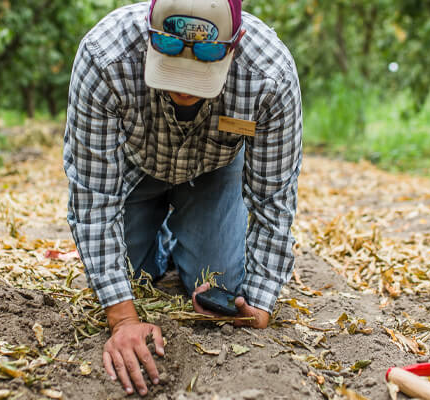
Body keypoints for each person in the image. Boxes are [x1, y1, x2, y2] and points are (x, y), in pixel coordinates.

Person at [63, 0, 302, 396]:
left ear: (234, 43)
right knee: (134, 277)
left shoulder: (269, 76)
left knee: (219, 285)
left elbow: (273, 199)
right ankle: (162, 244)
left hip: (215, 168)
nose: (183, 88)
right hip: (135, 167)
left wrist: (260, 304)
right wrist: (122, 320)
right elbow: (92, 198)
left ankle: (191, 237)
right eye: (172, 70)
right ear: (149, 33)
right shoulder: (105, 57)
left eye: (200, 76)